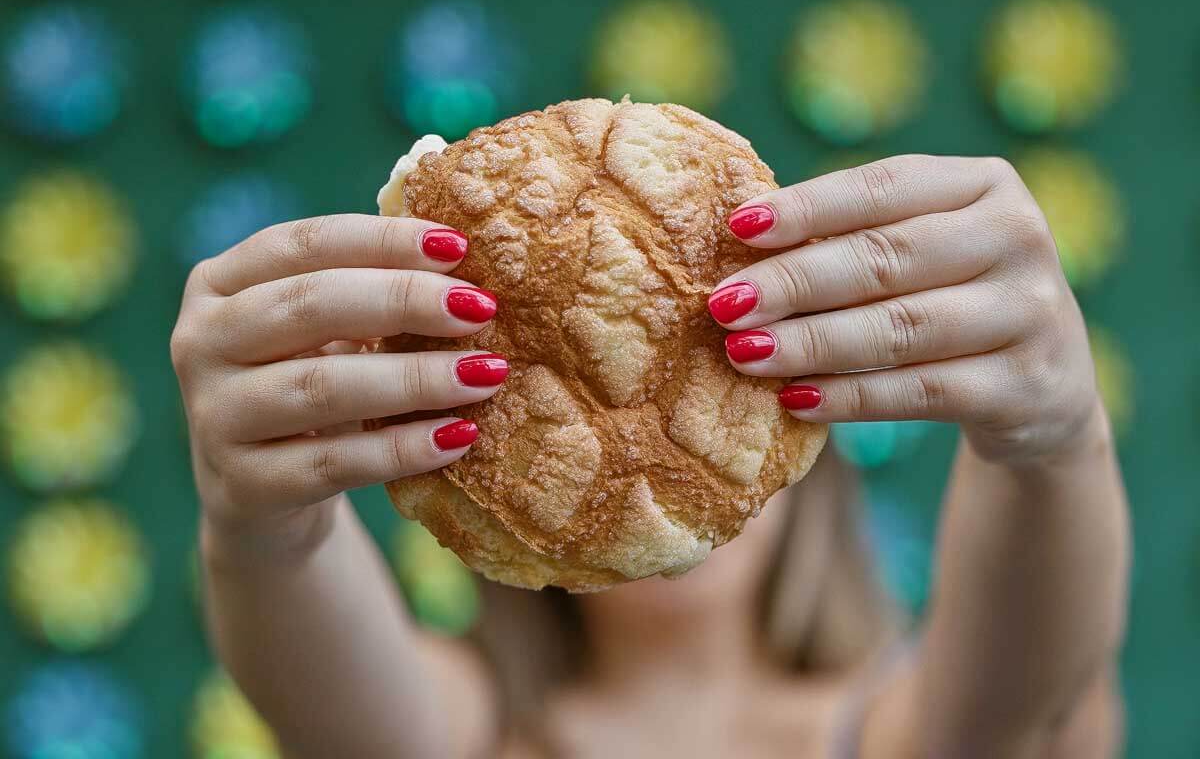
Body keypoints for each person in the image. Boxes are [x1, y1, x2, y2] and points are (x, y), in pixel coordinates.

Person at [171, 154, 1129, 758]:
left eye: (711, 389)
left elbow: (1026, 707)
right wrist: (263, 525)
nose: (633, 433)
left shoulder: (896, 729)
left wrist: (1055, 444)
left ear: (800, 459)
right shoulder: (470, 729)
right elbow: (328, 694)